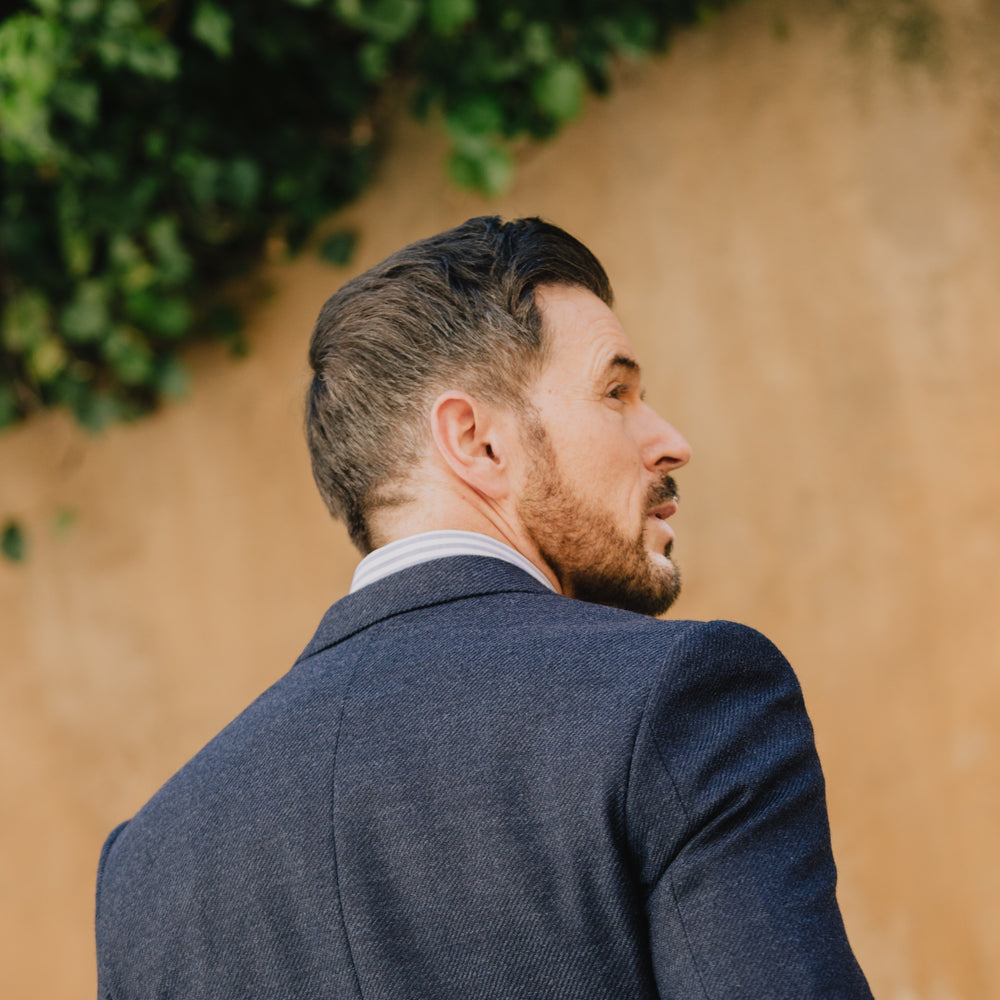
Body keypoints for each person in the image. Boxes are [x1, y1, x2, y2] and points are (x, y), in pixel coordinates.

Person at [95, 216, 873, 999]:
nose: (670, 441)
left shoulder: (144, 875)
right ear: (476, 441)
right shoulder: (680, 700)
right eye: (616, 392)